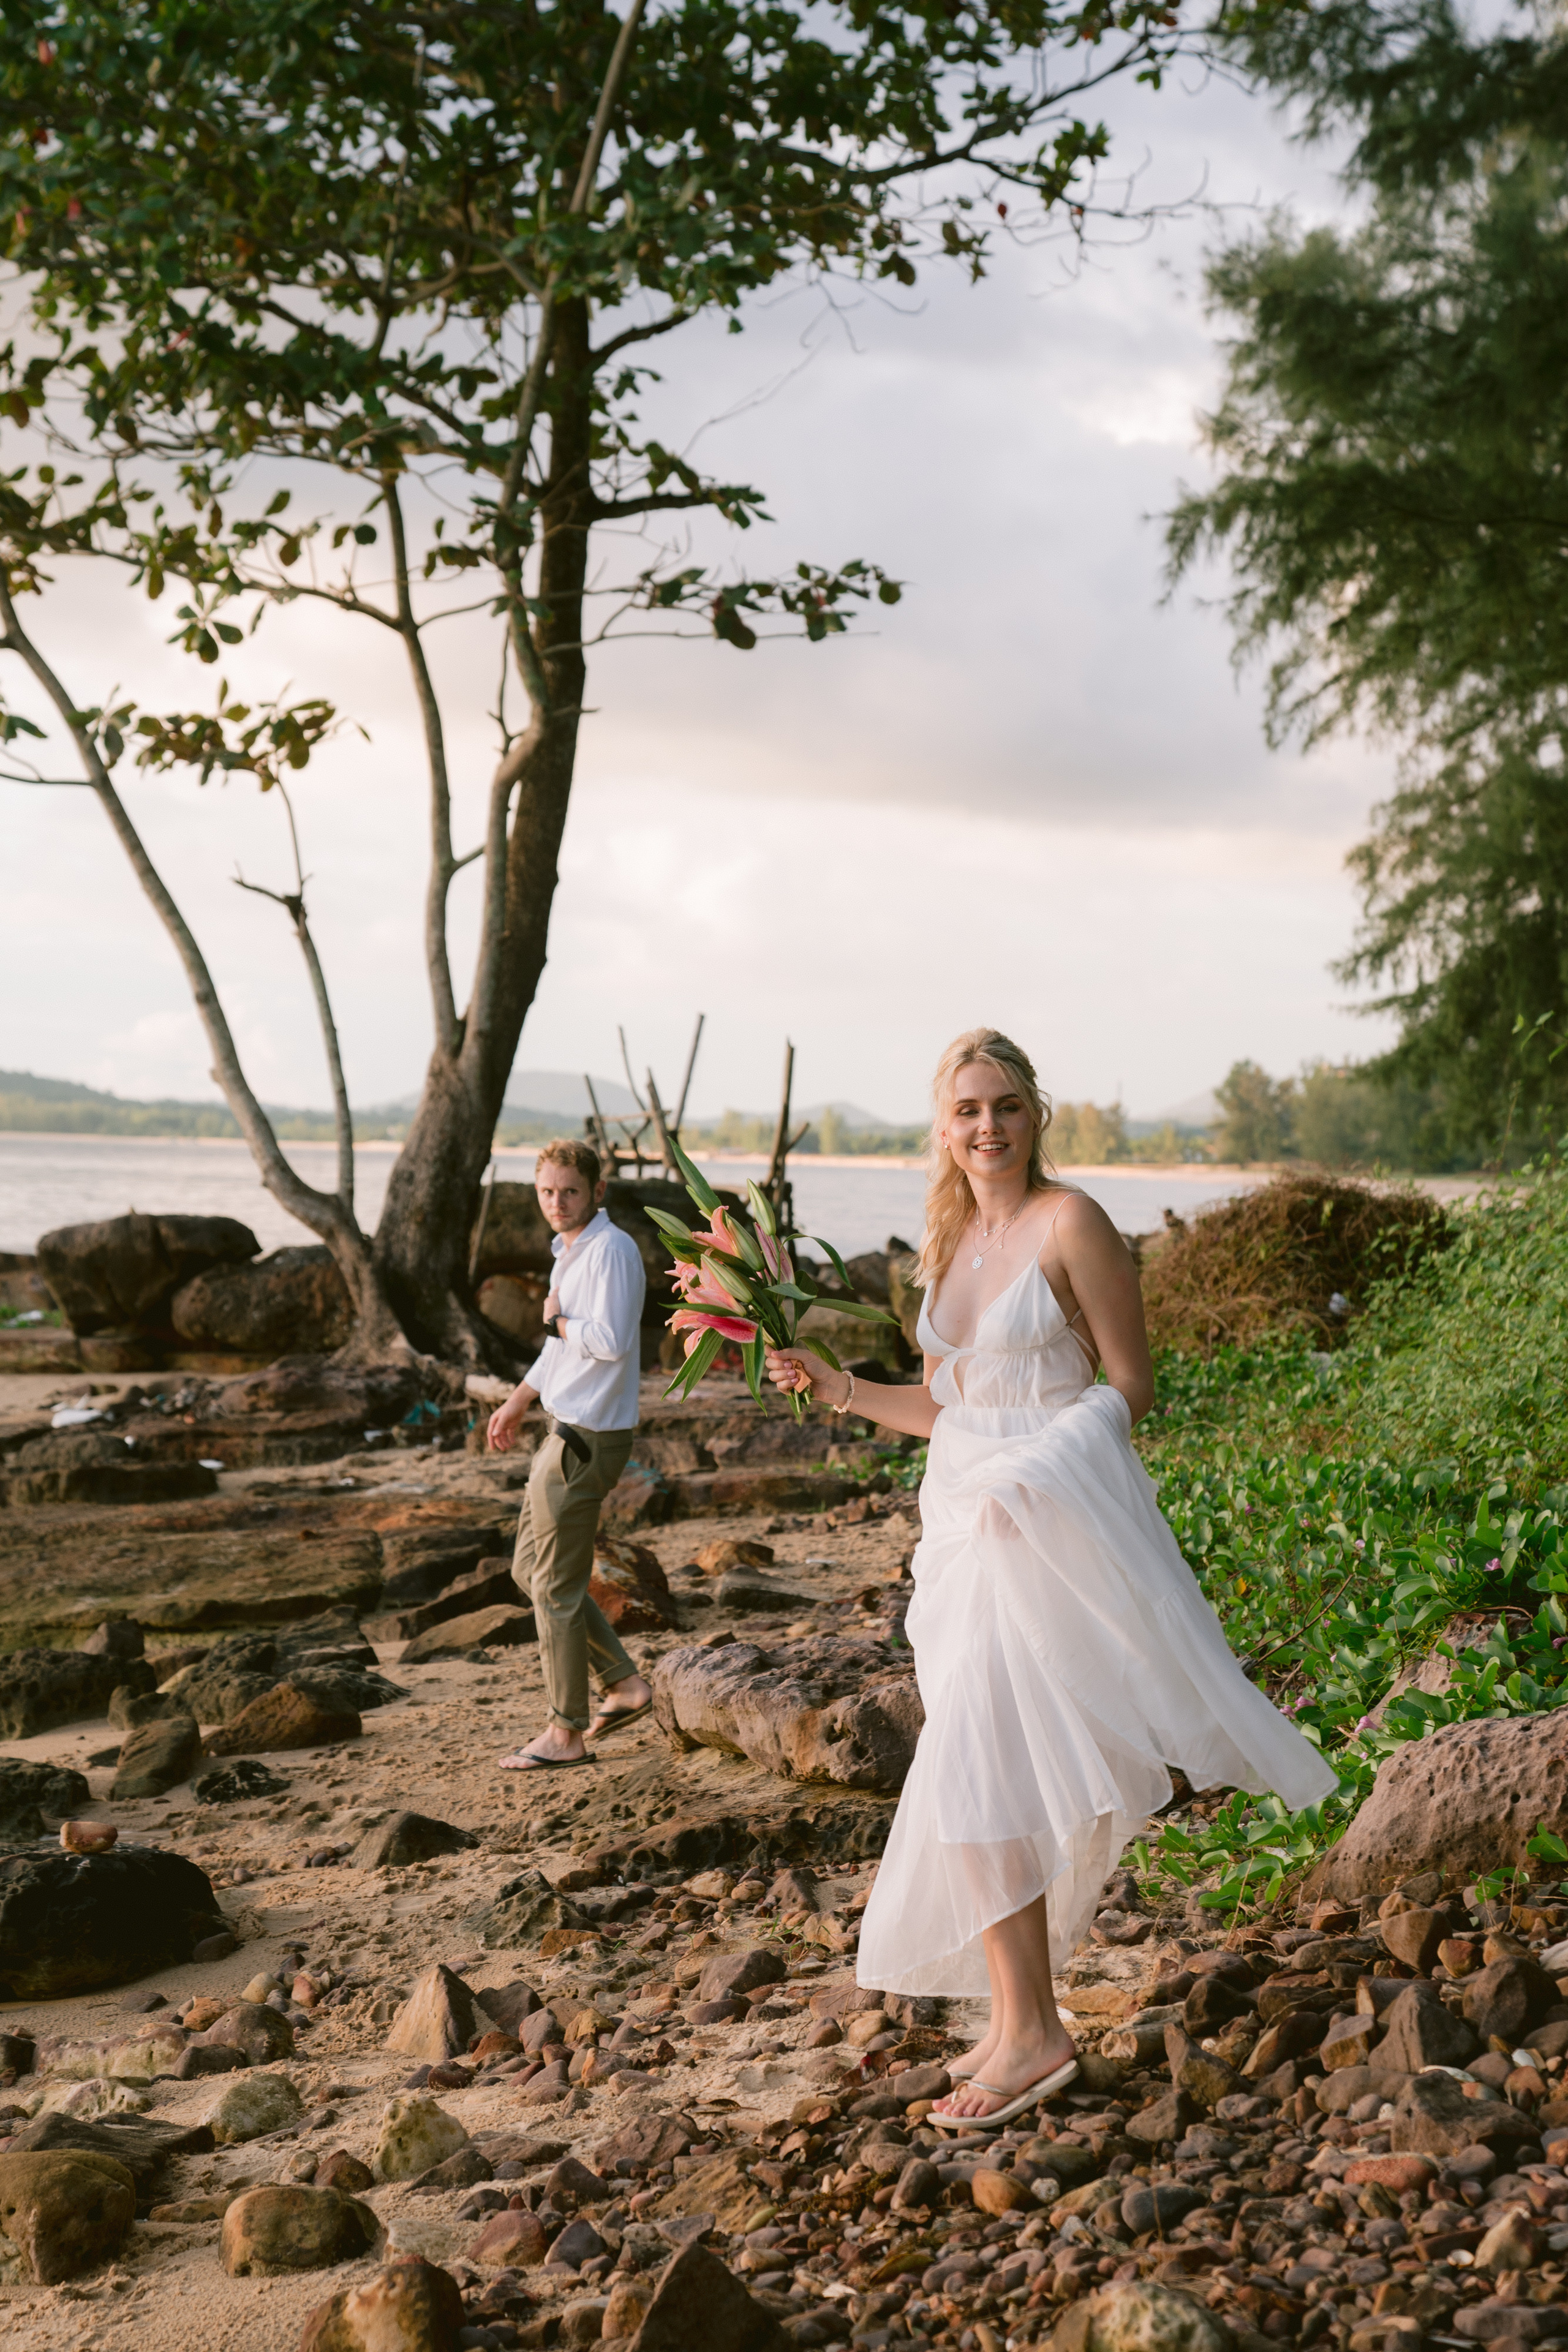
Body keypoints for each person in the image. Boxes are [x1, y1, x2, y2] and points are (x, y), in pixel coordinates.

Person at [764, 1029, 1336, 2132]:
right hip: (963, 1518)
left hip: (1048, 1510)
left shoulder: (1072, 1223)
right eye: (969, 1110)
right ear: (944, 1128)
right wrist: (838, 1387)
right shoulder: (948, 1241)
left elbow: (1130, 1387)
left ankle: (1031, 2030)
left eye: (1007, 1106)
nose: (989, 1127)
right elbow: (944, 1408)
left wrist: (1040, 1468)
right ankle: (1018, 2015)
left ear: (1036, 1114)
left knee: (979, 1753)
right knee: (974, 1754)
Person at [486, 1137, 652, 1770]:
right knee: (530, 1572)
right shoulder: (569, 1252)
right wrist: (519, 1399)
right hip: (562, 1430)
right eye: (547, 1192)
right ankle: (625, 1684)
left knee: (552, 1588)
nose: (557, 1203)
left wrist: (556, 1323)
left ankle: (565, 1733)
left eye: (570, 1192)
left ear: (597, 1192)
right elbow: (560, 1350)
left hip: (586, 1440)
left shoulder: (610, 1251)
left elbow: (606, 1342)